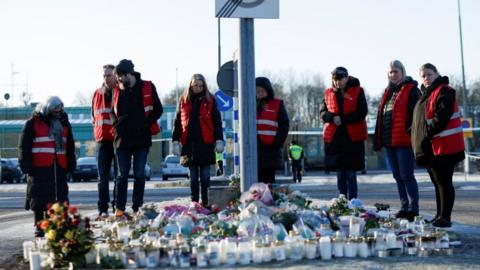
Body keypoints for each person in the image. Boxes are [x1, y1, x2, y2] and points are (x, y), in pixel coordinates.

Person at [411, 63, 465, 228]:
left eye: (429, 74)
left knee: (444, 182)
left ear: (436, 74)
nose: (426, 78)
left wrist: (425, 133)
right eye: (423, 75)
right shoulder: (425, 95)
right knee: (437, 183)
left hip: (444, 147)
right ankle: (439, 215)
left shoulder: (444, 90)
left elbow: (441, 117)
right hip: (431, 147)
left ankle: (445, 217)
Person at [110, 59, 163, 217]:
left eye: (120, 76)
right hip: (122, 140)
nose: (118, 80)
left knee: (139, 174)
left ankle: (137, 207)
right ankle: (119, 209)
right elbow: (111, 111)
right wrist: (116, 124)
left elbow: (158, 109)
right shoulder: (117, 90)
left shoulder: (147, 86)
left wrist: (146, 124)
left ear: (128, 74)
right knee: (122, 175)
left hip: (141, 139)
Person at [19, 96, 76, 237]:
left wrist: (70, 165)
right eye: (55, 110)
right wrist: (25, 166)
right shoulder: (32, 124)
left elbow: (69, 146)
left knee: (59, 196)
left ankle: (58, 225)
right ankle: (39, 225)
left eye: (60, 110)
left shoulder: (64, 124)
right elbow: (24, 146)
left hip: (59, 166)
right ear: (48, 109)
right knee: (39, 197)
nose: (58, 112)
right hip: (39, 167)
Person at [373, 60, 421, 221]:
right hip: (389, 142)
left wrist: (411, 131)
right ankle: (404, 206)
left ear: (402, 72)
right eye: (391, 72)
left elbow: (418, 114)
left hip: (404, 142)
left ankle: (413, 209)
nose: (393, 74)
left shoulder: (411, 90)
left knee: (407, 175)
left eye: (396, 71)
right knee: (397, 176)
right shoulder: (387, 92)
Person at [172, 74, 224, 207]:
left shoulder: (210, 100)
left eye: (201, 86)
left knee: (205, 177)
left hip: (205, 144)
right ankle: (194, 202)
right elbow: (177, 122)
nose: (198, 88)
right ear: (191, 85)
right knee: (193, 177)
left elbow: (217, 122)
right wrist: (175, 141)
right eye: (195, 85)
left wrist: (219, 139)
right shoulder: (183, 100)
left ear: (204, 86)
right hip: (189, 144)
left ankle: (206, 203)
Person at [320, 67, 367, 199]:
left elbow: (362, 112)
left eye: (340, 79)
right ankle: (342, 200)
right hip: (336, 139)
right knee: (340, 173)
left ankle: (353, 200)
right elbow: (322, 112)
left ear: (346, 78)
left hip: (352, 139)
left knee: (351, 173)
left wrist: (343, 119)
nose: (337, 83)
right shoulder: (327, 93)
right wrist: (332, 118)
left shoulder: (358, 91)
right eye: (334, 80)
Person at [92, 64, 119, 218]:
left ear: (115, 76)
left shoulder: (119, 92)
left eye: (109, 75)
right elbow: (93, 117)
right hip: (102, 141)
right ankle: (103, 209)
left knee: (118, 177)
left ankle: (117, 207)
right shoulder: (96, 94)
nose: (106, 78)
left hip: (117, 141)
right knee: (102, 178)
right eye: (104, 75)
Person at [256, 77, 290, 184]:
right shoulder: (249, 104)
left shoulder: (277, 104)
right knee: (255, 182)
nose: (259, 93)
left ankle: (269, 200)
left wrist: (277, 143)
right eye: (257, 91)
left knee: (268, 181)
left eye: (262, 90)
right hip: (254, 149)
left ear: (268, 91)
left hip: (270, 150)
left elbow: (284, 125)